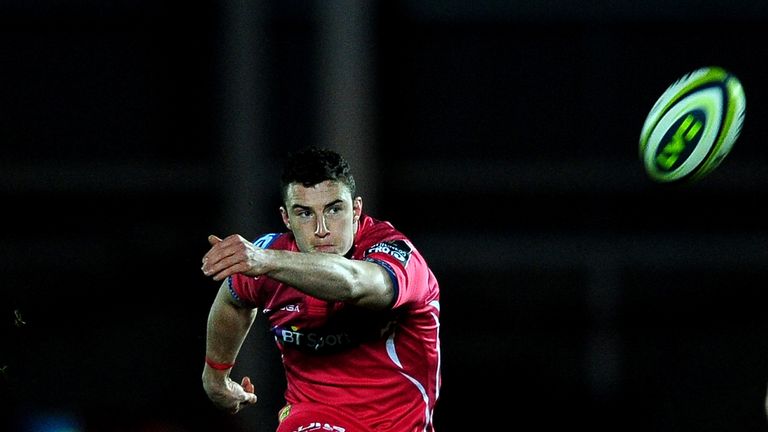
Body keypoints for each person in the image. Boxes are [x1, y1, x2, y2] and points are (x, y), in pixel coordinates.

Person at [200, 146, 441, 431]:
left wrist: (265, 261)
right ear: (286, 218)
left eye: (334, 209)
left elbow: (355, 283)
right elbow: (233, 301)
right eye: (304, 214)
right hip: (310, 419)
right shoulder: (271, 259)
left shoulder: (397, 254)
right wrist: (216, 378)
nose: (321, 229)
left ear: (357, 210)